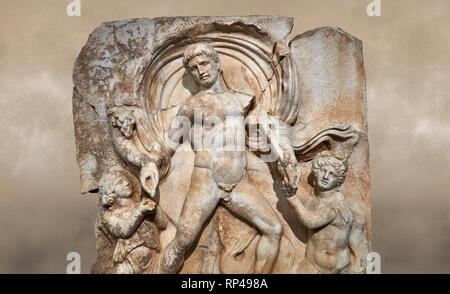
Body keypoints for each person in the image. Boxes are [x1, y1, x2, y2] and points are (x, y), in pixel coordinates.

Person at [159, 43, 287, 274]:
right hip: (206, 181)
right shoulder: (190, 106)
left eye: (205, 63)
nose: (201, 71)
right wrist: (150, 165)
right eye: (194, 68)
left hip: (239, 182)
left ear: (217, 63)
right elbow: (170, 145)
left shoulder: (241, 100)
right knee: (182, 242)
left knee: (274, 228)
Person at [284, 155, 368, 274]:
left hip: (332, 269)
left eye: (332, 174)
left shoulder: (336, 204)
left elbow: (311, 221)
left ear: (338, 181)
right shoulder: (317, 198)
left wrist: (291, 198)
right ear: (316, 173)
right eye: (323, 171)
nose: (325, 176)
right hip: (313, 264)